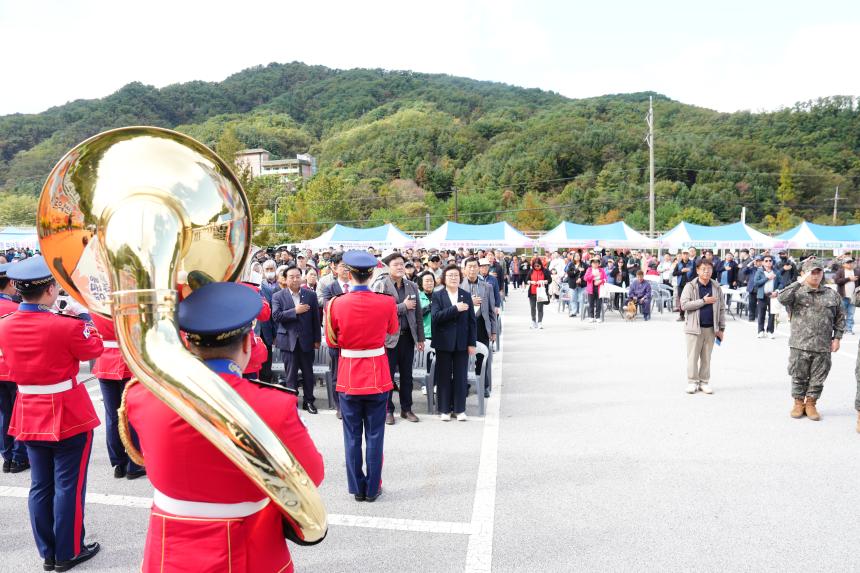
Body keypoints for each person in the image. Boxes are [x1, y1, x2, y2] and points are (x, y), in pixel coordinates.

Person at [124, 281, 324, 572]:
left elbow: (145, 454)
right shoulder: (273, 405)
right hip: (250, 542)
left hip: (168, 545)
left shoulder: (140, 394)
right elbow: (311, 475)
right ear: (246, 343)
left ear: (188, 342)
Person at [0, 256, 104, 571]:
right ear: (49, 290)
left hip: (29, 409)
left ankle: (48, 552)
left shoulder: (4, 325)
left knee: (40, 484)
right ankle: (69, 551)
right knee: (68, 485)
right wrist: (82, 314)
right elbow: (94, 348)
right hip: (68, 410)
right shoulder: (65, 325)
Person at [325, 251, 399, 501]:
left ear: (349, 272)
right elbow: (392, 330)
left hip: (348, 375)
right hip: (378, 374)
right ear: (371, 274)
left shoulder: (335, 303)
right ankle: (372, 487)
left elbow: (331, 339)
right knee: (376, 435)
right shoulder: (386, 301)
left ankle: (357, 488)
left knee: (352, 437)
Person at [778, 258, 845, 422]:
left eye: (818, 272)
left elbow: (840, 318)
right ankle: (798, 403)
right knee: (798, 376)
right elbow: (782, 298)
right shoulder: (797, 292)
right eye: (811, 272)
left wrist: (837, 338)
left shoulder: (831, 294)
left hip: (822, 345)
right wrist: (798, 282)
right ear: (803, 274)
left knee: (818, 378)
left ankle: (811, 404)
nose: (815, 276)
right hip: (800, 344)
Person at [90, 314, 146, 480]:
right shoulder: (126, 301)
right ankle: (134, 463)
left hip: (105, 358)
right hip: (129, 356)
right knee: (131, 414)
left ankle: (119, 463)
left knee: (112, 415)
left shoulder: (95, 301)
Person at [376, 252, 425, 424]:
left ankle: (407, 409)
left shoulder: (412, 286)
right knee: (387, 377)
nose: (400, 267)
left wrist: (420, 338)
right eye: (396, 264)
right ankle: (388, 410)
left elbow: (418, 313)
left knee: (407, 376)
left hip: (407, 338)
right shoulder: (381, 286)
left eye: (402, 264)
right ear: (388, 267)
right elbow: (379, 312)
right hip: (388, 339)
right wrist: (402, 306)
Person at [272, 266, 321, 414]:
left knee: (308, 373)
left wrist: (317, 339)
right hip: (288, 341)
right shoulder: (278, 296)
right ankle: (291, 403)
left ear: (302, 277)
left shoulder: (310, 295)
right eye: (291, 277)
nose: (295, 279)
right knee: (290, 374)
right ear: (285, 279)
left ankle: (309, 401)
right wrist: (295, 311)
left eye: (298, 276)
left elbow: (315, 320)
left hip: (306, 340)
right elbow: (276, 316)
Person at [431, 264, 477, 421]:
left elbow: (472, 322)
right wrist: (455, 309)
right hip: (443, 342)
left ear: (460, 277)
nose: (453, 278)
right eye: (450, 275)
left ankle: (459, 409)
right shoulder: (438, 295)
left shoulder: (465, 294)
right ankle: (444, 409)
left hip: (462, 342)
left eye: (456, 275)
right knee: (443, 376)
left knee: (460, 376)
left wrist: (472, 343)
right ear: (444, 278)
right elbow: (436, 317)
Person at [680, 259, 726, 395]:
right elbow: (684, 305)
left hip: (711, 329)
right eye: (704, 269)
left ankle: (704, 382)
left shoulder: (716, 287)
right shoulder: (690, 286)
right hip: (694, 328)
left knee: (707, 357)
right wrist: (703, 301)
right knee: (692, 357)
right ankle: (692, 382)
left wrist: (721, 329)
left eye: (709, 269)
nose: (707, 271)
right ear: (698, 270)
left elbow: (722, 309)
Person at [0, 262, 28, 473]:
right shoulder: (15, 309)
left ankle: (7, 456)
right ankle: (18, 457)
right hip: (12, 368)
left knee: (3, 414)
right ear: (10, 283)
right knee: (17, 413)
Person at [319, 252, 350, 419]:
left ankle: (350, 402)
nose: (346, 270)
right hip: (336, 337)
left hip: (354, 339)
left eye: (348, 266)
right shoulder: (329, 288)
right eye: (342, 266)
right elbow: (329, 310)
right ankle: (339, 405)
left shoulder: (355, 285)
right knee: (337, 373)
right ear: (334, 268)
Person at [463, 258, 497, 398]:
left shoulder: (486, 286)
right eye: (469, 267)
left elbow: (491, 310)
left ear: (479, 268)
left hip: (482, 325)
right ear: (464, 269)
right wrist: (470, 301)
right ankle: (464, 385)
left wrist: (493, 330)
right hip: (464, 325)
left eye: (474, 267)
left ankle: (484, 385)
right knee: (463, 357)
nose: (472, 269)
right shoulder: (458, 285)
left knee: (483, 356)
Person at [753, 255, 783, 339]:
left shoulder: (776, 272)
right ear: (762, 262)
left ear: (772, 262)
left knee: (772, 314)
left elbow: (781, 283)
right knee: (761, 314)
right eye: (766, 261)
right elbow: (756, 283)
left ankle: (770, 331)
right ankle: (760, 331)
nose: (768, 262)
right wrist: (767, 278)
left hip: (772, 296)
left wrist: (777, 291)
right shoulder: (759, 271)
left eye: (770, 260)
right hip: (762, 295)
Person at [526, 257, 551, 329]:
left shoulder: (545, 271)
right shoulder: (531, 271)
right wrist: (531, 282)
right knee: (532, 308)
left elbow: (550, 280)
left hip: (541, 292)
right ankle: (533, 321)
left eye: (538, 266)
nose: (536, 267)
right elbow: (526, 280)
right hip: (532, 292)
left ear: (541, 265)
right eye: (535, 266)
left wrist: (544, 281)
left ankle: (540, 322)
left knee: (540, 308)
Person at [833, 257, 856, 335]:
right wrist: (849, 279)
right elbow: (837, 281)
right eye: (848, 262)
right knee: (841, 314)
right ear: (843, 264)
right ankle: (841, 329)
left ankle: (849, 329)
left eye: (851, 262)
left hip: (853, 297)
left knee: (851, 314)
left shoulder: (857, 271)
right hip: (843, 296)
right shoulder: (840, 271)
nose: (850, 264)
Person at [673, 250, 695, 321]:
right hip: (680, 285)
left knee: (691, 300)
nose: (685, 255)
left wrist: (690, 281)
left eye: (686, 254)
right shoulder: (678, 263)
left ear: (689, 255)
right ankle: (682, 316)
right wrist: (681, 271)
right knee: (681, 300)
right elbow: (674, 273)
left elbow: (695, 274)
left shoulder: (692, 263)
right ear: (682, 255)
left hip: (690, 284)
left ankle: (691, 316)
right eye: (684, 254)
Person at [584, 258, 607, 323]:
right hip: (591, 287)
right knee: (591, 303)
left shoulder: (601, 270)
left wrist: (600, 281)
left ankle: (598, 317)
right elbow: (585, 278)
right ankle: (591, 316)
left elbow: (605, 279)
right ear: (591, 263)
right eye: (593, 262)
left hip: (599, 287)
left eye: (597, 262)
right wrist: (593, 275)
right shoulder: (589, 270)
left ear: (599, 263)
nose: (595, 264)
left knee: (599, 303)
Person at [565, 251, 587, 318]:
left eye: (578, 255)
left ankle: (581, 312)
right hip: (572, 284)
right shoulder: (570, 264)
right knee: (573, 298)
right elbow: (569, 274)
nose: (577, 257)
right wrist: (577, 269)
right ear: (573, 257)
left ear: (580, 257)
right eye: (575, 256)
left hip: (582, 284)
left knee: (581, 299)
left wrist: (581, 279)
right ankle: (573, 312)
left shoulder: (584, 265)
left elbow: (586, 274)